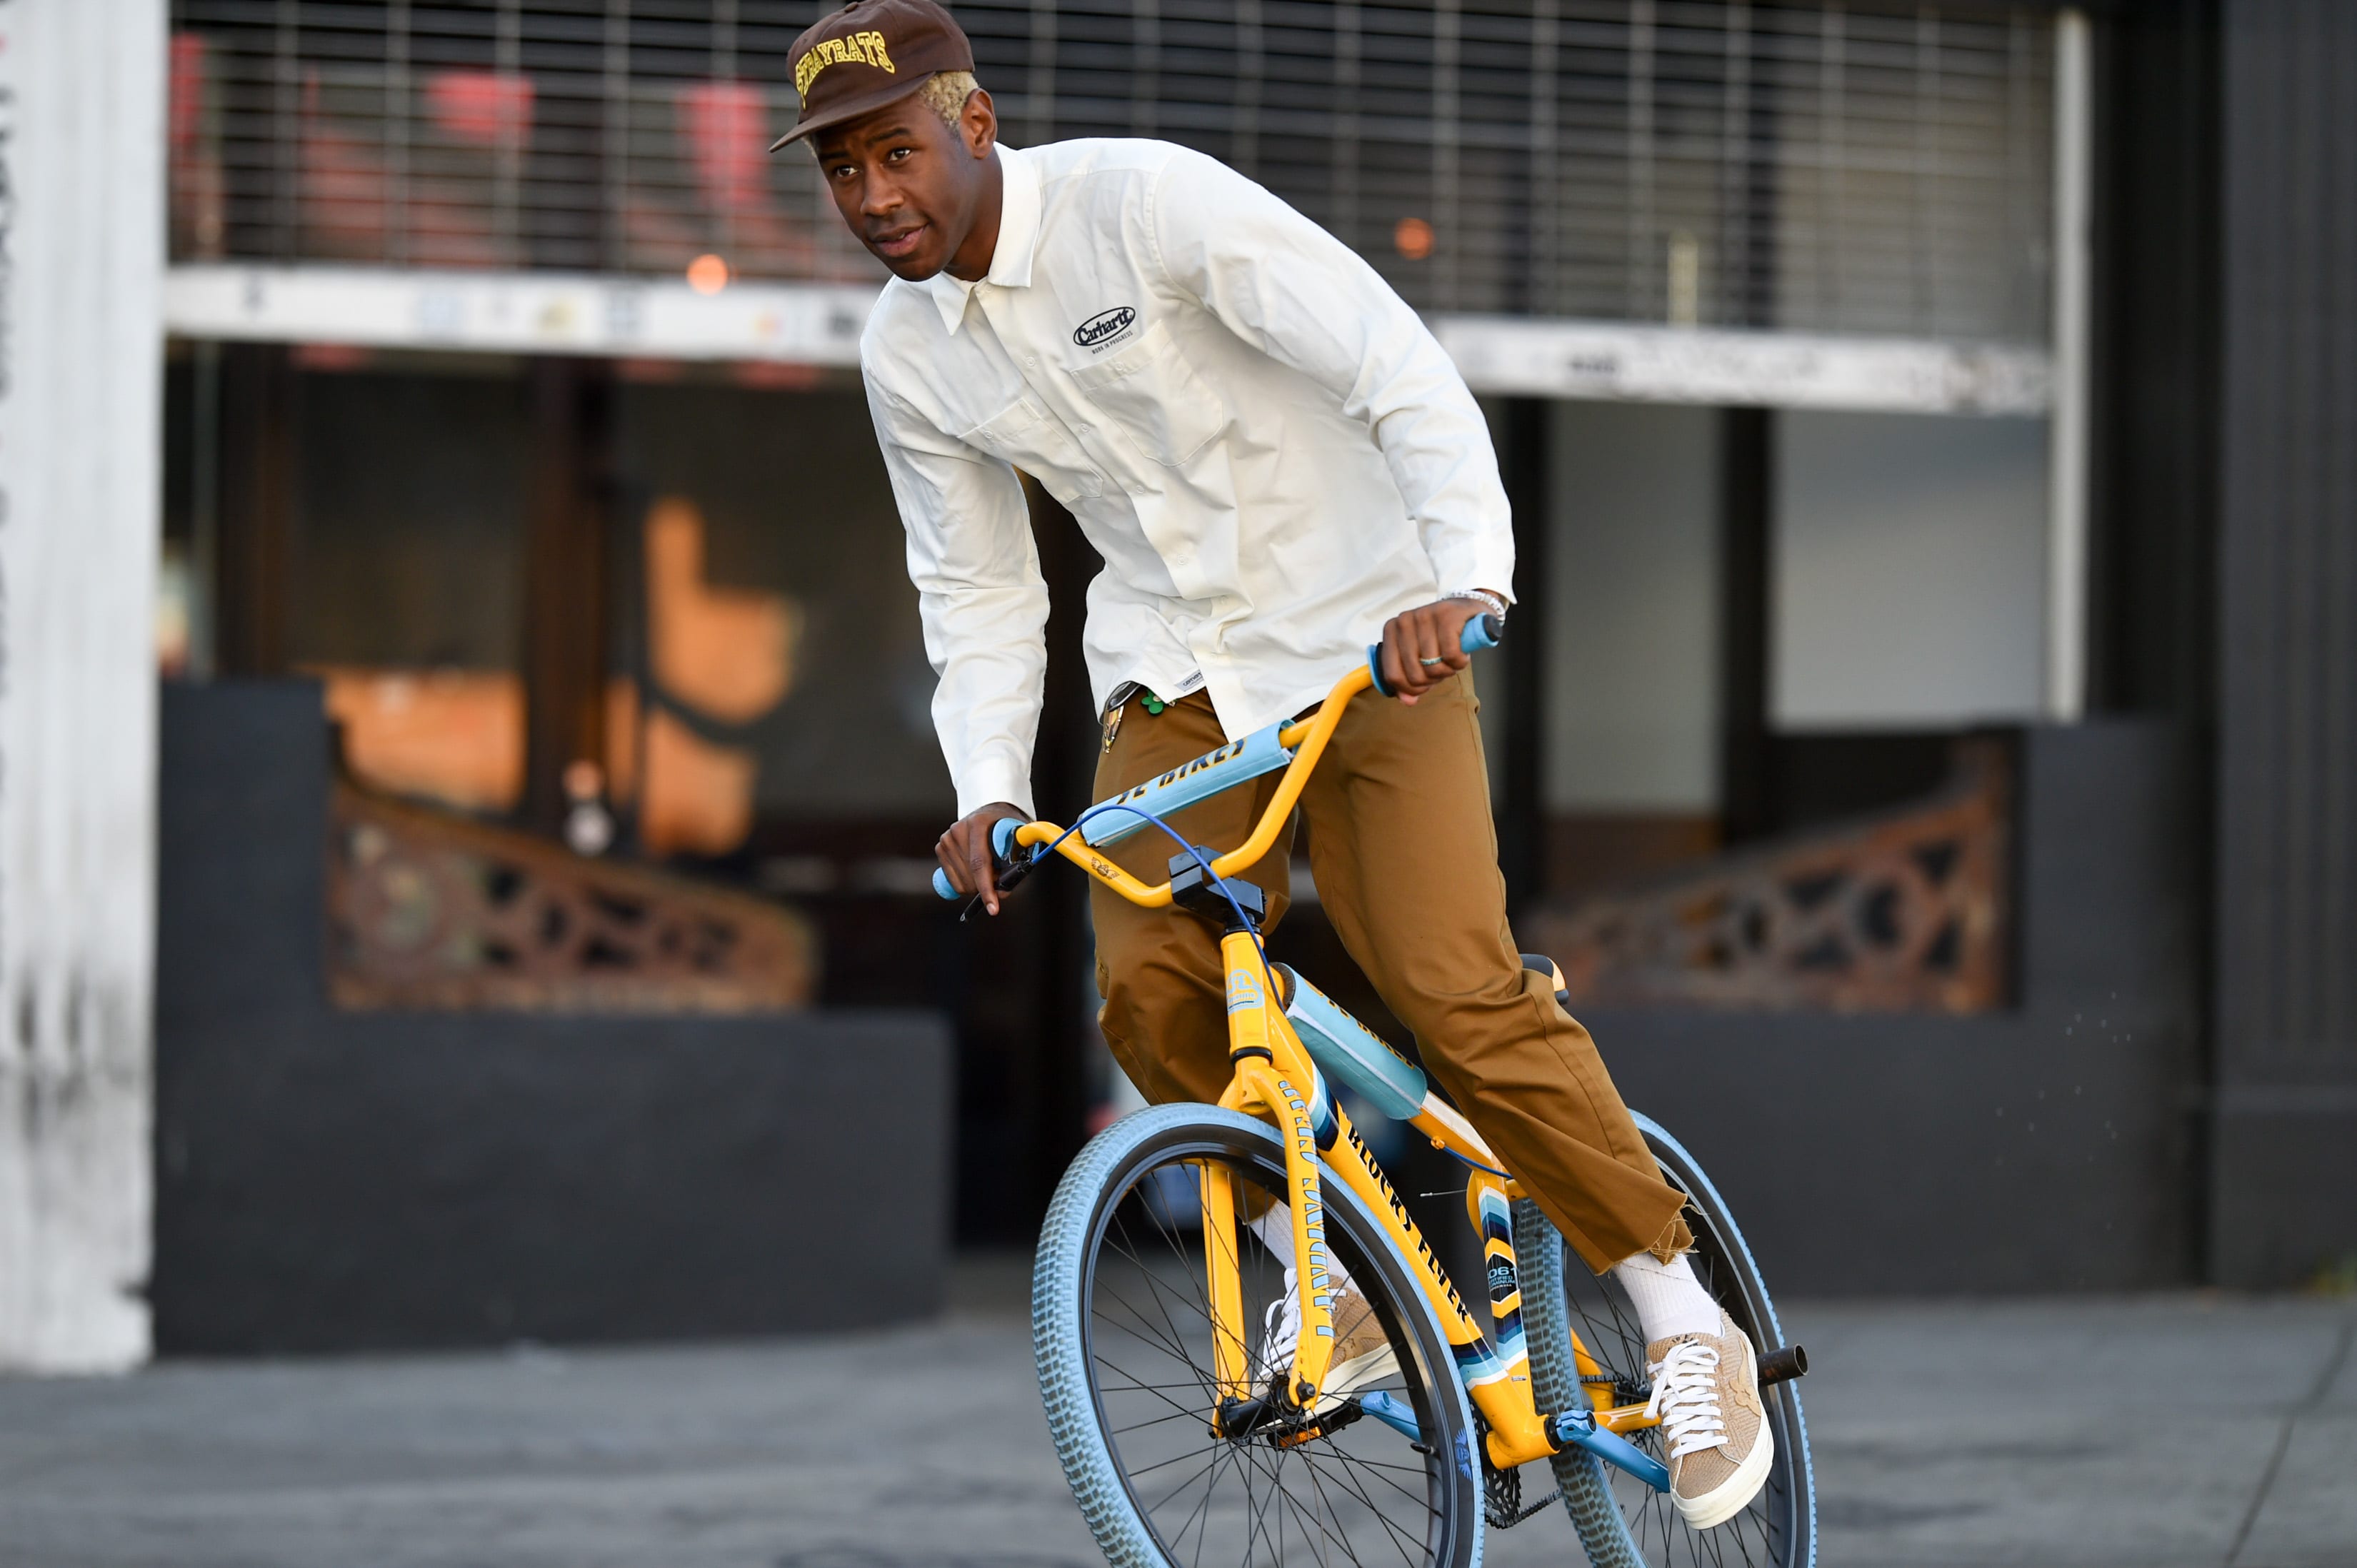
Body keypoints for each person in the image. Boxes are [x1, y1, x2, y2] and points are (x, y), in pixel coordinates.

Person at [776, 0, 1770, 1529]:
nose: (874, 200)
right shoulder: (908, 354)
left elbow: (1388, 357)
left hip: (1377, 643)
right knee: (1147, 983)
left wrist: (1468, 578)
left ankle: (1678, 1311)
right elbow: (976, 589)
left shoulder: (1147, 206)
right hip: (1178, 674)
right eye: (841, 174)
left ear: (975, 125)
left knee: (1449, 986)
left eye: (894, 153)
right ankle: (1328, 1278)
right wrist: (985, 786)